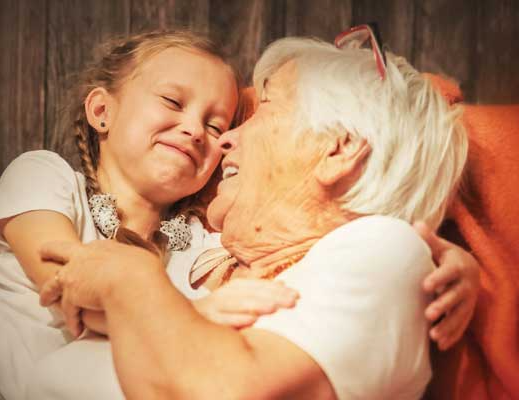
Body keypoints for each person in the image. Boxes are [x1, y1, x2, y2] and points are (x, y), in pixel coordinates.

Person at [37, 31, 473, 399]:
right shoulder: (208, 269)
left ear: (338, 149)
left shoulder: (386, 248)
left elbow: (220, 390)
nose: (226, 140)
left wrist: (125, 276)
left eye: (264, 108)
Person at [0, 30, 303, 400]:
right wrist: (191, 316)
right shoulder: (43, 176)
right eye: (172, 102)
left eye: (215, 125)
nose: (194, 130)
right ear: (102, 111)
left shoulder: (198, 247)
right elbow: (69, 286)